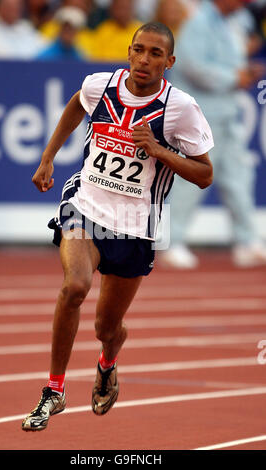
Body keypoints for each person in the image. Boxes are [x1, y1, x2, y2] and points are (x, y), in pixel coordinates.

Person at [21, 21, 214, 431]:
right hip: (86, 205)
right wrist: (48, 156)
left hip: (134, 226)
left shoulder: (180, 108)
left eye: (155, 53)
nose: (145, 60)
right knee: (75, 286)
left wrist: (159, 150)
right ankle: (54, 391)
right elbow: (76, 103)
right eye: (139, 50)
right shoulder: (100, 85)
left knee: (107, 327)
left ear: (170, 61)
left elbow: (204, 174)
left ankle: (108, 361)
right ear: (128, 51)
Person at [158, 0, 266, 269]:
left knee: (239, 178)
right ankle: (172, 242)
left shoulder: (234, 23)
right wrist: (234, 77)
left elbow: (231, 62)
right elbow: (194, 67)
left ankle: (246, 242)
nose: (243, 3)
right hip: (198, 115)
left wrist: (241, 73)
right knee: (189, 179)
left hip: (227, 113)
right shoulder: (198, 23)